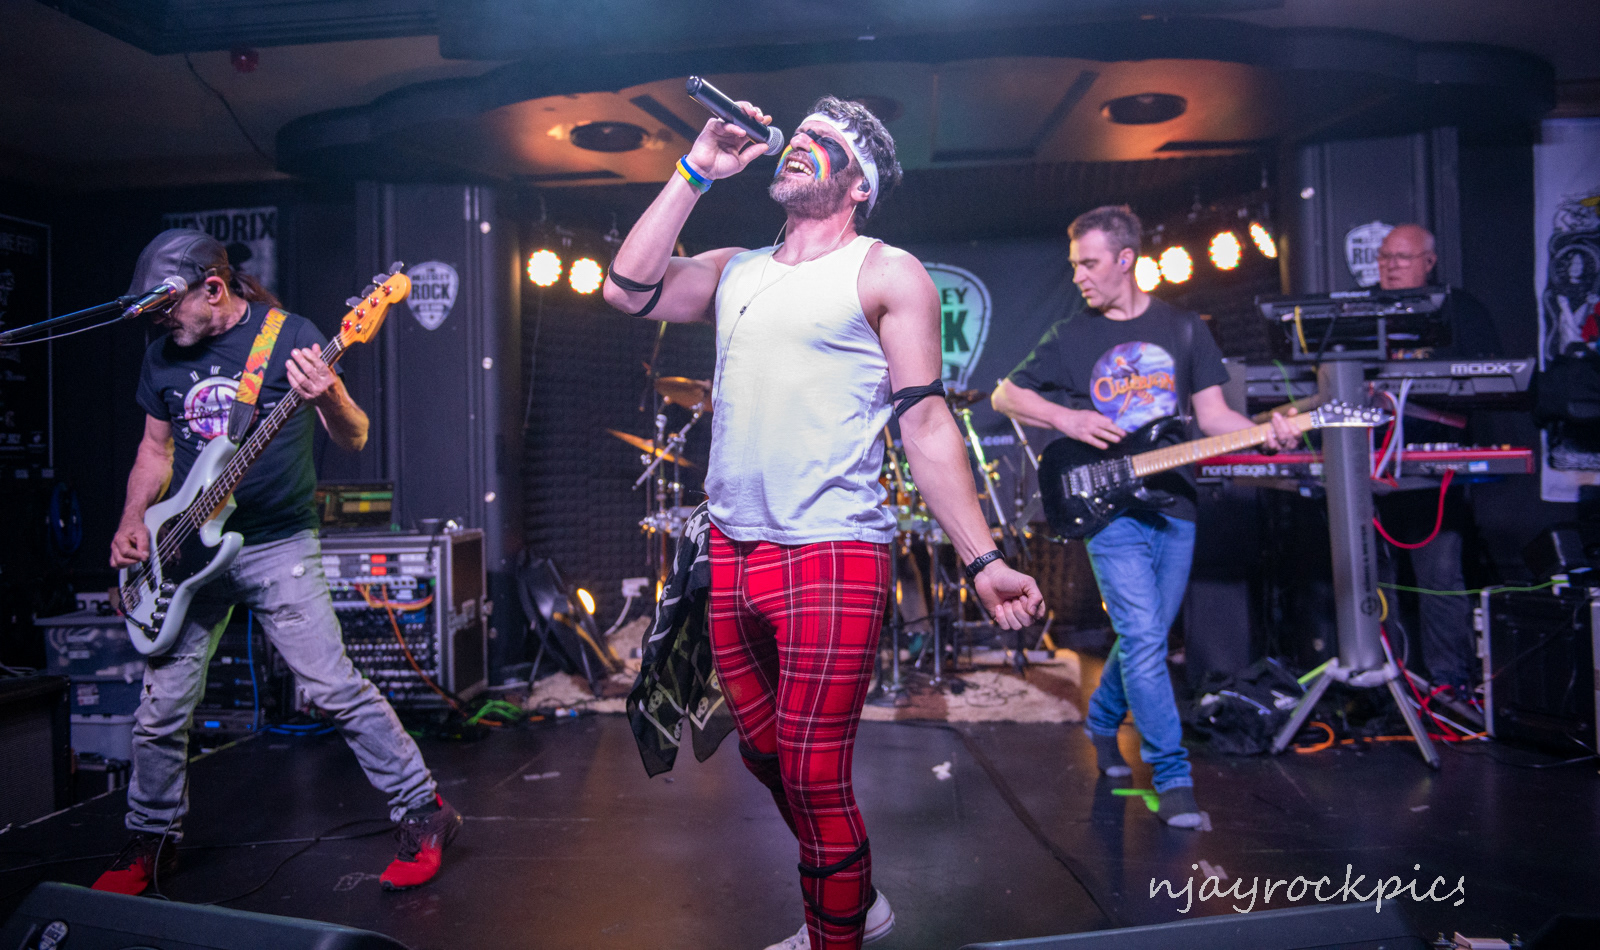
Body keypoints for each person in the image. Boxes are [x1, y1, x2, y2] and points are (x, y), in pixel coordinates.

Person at [603, 97, 1045, 950]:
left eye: (824, 140)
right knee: (765, 754)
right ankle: (857, 902)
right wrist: (698, 167)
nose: (800, 143)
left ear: (859, 184)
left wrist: (981, 558)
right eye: (799, 134)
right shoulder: (736, 269)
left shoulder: (887, 273)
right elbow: (626, 290)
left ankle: (833, 931)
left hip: (832, 552)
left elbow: (926, 423)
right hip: (731, 549)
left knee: (812, 769)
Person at [98, 229, 460, 896]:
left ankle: (423, 809)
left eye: (170, 306)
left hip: (277, 544)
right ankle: (151, 837)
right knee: (160, 710)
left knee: (333, 687)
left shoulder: (289, 336)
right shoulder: (161, 355)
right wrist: (131, 521)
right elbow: (155, 450)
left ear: (213, 288)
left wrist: (329, 396)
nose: (162, 321)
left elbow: (355, 436)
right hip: (183, 550)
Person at [991, 206, 1297, 827]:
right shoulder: (1071, 335)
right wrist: (1068, 418)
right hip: (1108, 508)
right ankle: (1172, 775)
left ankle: (1103, 723)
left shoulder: (1183, 330)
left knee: (1145, 637)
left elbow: (1214, 418)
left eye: (1089, 263)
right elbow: (1004, 393)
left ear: (1126, 259)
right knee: (1142, 634)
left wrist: (1266, 433)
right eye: (1074, 264)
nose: (1078, 276)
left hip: (1174, 501)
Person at [1374, 223, 1504, 697]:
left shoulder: (1459, 309)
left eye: (1402, 258)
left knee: (1440, 578)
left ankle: (1449, 688)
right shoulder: (1361, 310)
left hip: (1435, 471)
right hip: (1369, 466)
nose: (1390, 267)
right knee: (1372, 581)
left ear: (1429, 263)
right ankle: (1384, 685)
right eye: (1385, 257)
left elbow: (1492, 378)